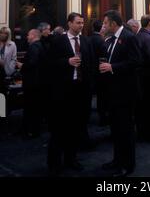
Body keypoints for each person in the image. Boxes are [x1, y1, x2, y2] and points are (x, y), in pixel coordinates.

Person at [47, 13, 94, 175]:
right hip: (63, 91)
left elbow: (91, 64)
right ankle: (54, 163)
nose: (81, 25)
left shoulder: (86, 41)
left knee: (76, 128)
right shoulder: (58, 41)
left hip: (80, 91)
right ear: (69, 23)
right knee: (59, 129)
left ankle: (71, 159)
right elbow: (48, 64)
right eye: (78, 23)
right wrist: (66, 62)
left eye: (82, 23)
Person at [100, 10, 141, 177]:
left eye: (105, 23)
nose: (103, 25)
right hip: (114, 93)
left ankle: (128, 165)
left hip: (126, 93)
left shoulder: (129, 37)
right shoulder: (111, 39)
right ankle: (117, 160)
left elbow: (136, 61)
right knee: (116, 129)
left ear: (113, 24)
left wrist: (113, 67)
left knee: (126, 130)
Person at [16, 29, 45, 138]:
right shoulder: (40, 46)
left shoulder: (34, 47)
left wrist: (21, 65)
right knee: (35, 107)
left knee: (30, 107)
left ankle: (30, 130)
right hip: (38, 82)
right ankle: (32, 129)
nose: (27, 37)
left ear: (33, 35)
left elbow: (32, 63)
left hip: (32, 83)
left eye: (28, 35)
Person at [89, 20, 108, 126]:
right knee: (102, 96)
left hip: (91, 71)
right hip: (101, 72)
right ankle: (103, 117)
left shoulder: (88, 39)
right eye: (104, 27)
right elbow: (104, 57)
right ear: (101, 28)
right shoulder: (101, 41)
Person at [0, 27, 17, 94]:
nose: (3, 35)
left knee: (3, 92)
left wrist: (10, 69)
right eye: (1, 32)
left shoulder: (12, 44)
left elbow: (14, 58)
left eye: (5, 33)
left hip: (6, 70)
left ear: (8, 35)